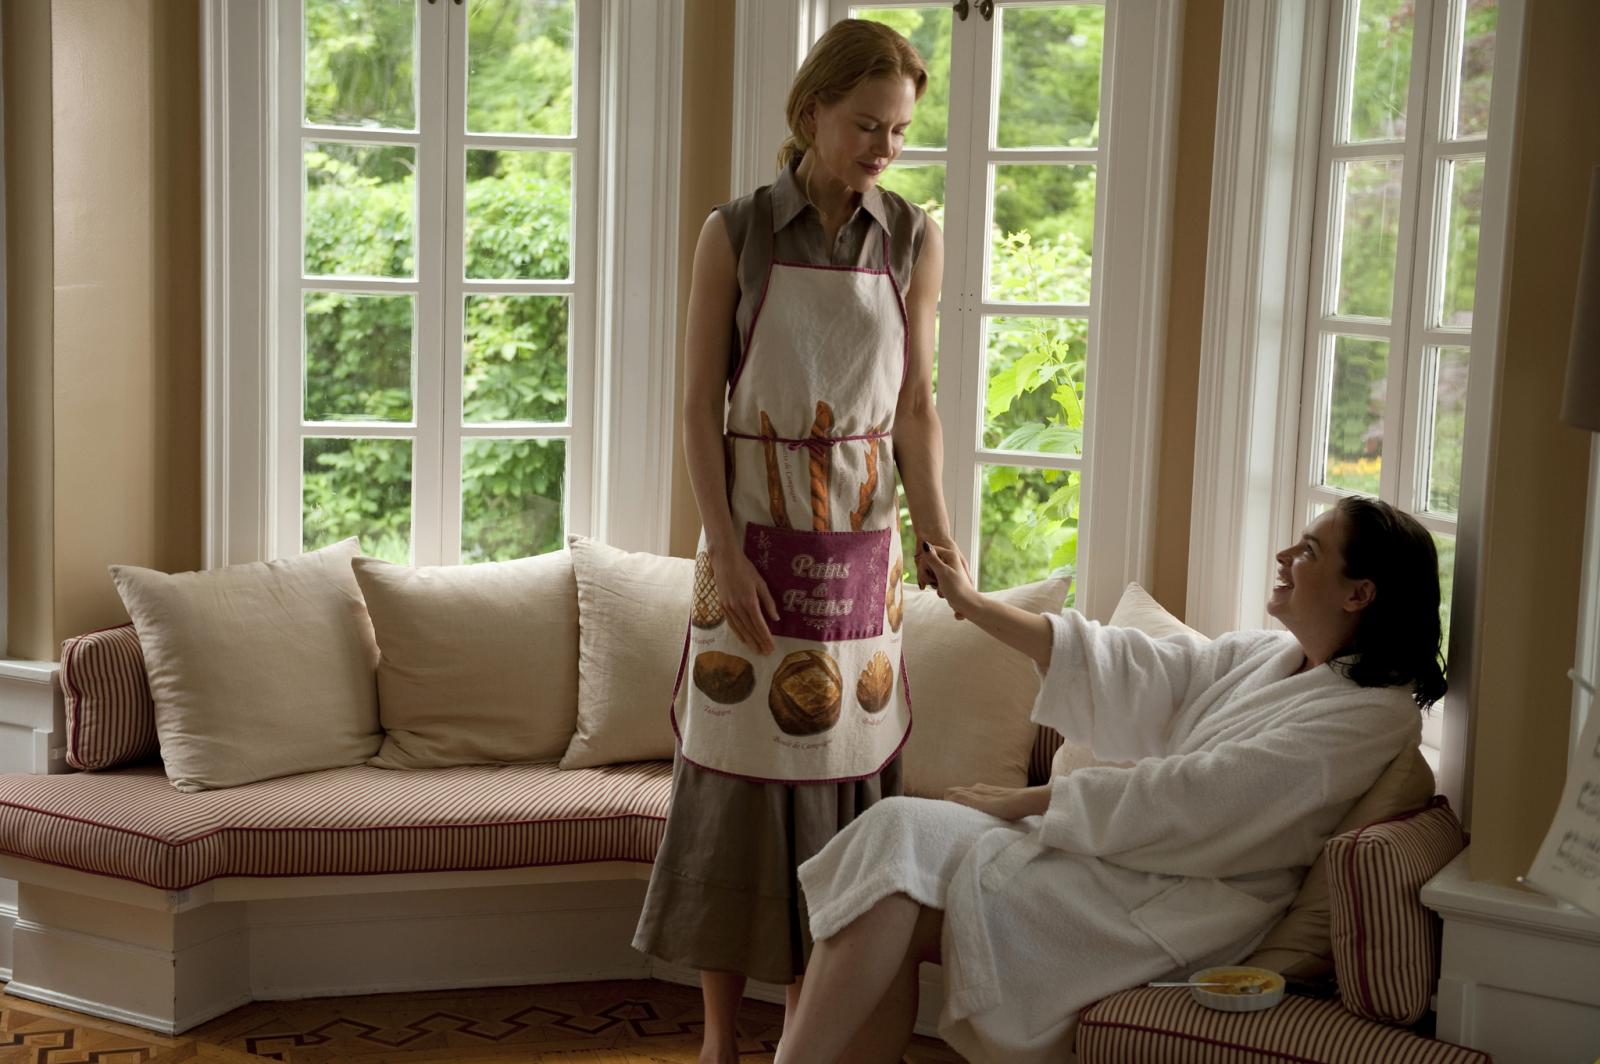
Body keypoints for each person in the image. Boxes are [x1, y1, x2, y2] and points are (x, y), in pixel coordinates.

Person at [775, 495, 1448, 1063]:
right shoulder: (1272, 656)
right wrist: (974, 606)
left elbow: (1207, 796)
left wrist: (1031, 800)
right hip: (1120, 859)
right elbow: (1130, 665)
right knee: (892, 852)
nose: (1284, 556)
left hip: (1189, 904)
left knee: (896, 868)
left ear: (1359, 593)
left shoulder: (1372, 714)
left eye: (1309, 551)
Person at [631, 19, 966, 1062]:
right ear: (811, 110)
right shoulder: (734, 233)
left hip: (859, 548)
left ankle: (798, 1036)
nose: (884, 148)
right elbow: (698, 406)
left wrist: (939, 534)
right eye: (866, 125)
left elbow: (916, 405)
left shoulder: (912, 237)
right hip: (750, 542)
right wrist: (725, 553)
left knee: (837, 780)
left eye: (899, 131)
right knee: (733, 784)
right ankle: (718, 1040)